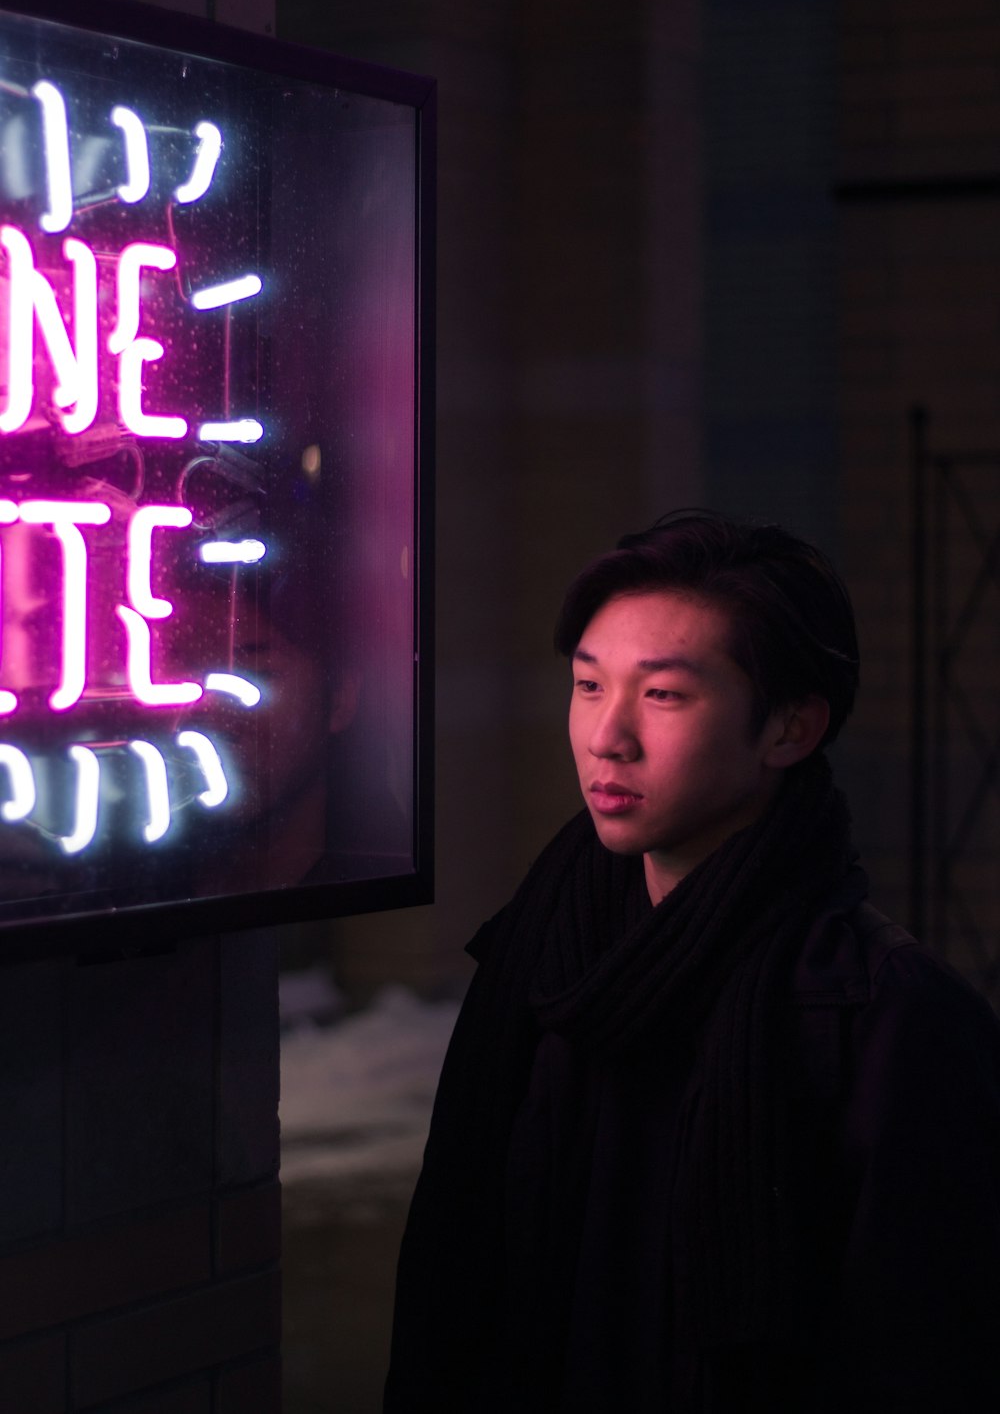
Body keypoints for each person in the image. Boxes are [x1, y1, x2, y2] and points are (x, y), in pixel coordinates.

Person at [384, 509, 1000, 1413]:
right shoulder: (543, 957)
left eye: (663, 695)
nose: (608, 737)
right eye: (589, 686)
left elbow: (924, 1356)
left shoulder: (883, 1016)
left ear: (789, 730)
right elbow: (457, 1273)